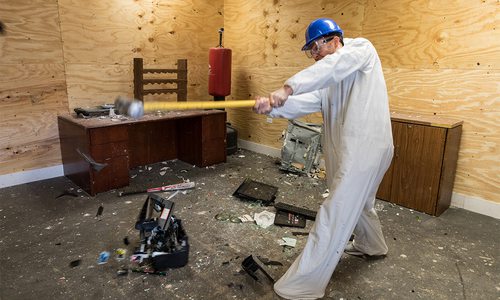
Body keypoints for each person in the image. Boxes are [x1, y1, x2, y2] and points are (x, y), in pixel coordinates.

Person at [253, 18, 394, 299]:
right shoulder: (329, 79)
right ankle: (373, 245)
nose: (314, 56)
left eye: (314, 49)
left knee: (337, 210)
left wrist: (288, 87)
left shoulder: (360, 50)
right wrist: (272, 107)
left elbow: (333, 67)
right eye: (311, 52)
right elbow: (308, 100)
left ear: (331, 40)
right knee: (361, 205)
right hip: (354, 150)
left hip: (366, 148)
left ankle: (304, 284)